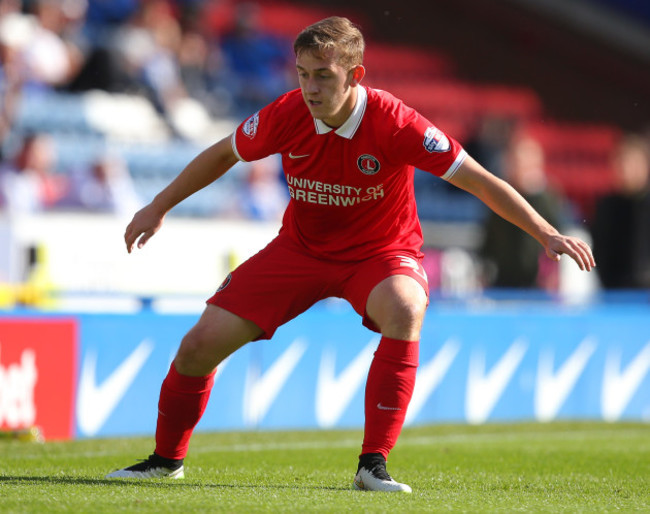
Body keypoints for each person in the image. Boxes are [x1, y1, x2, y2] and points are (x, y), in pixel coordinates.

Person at [106, 17, 595, 492]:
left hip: (379, 255)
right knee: (197, 347)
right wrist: (158, 205)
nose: (311, 88)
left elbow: (479, 180)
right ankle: (165, 462)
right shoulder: (286, 113)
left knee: (406, 307)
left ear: (355, 75)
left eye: (324, 76)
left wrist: (544, 231)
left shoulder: (395, 122)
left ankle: (372, 465)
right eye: (302, 74)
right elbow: (222, 154)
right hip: (299, 251)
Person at [479, 134, 567, 290]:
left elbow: (560, 237)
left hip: (537, 286)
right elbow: (489, 242)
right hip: (504, 282)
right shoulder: (499, 198)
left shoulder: (546, 199)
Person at [591, 134, 650, 289]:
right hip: (616, 293)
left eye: (633, 164)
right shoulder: (607, 206)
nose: (627, 170)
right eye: (622, 164)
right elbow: (601, 253)